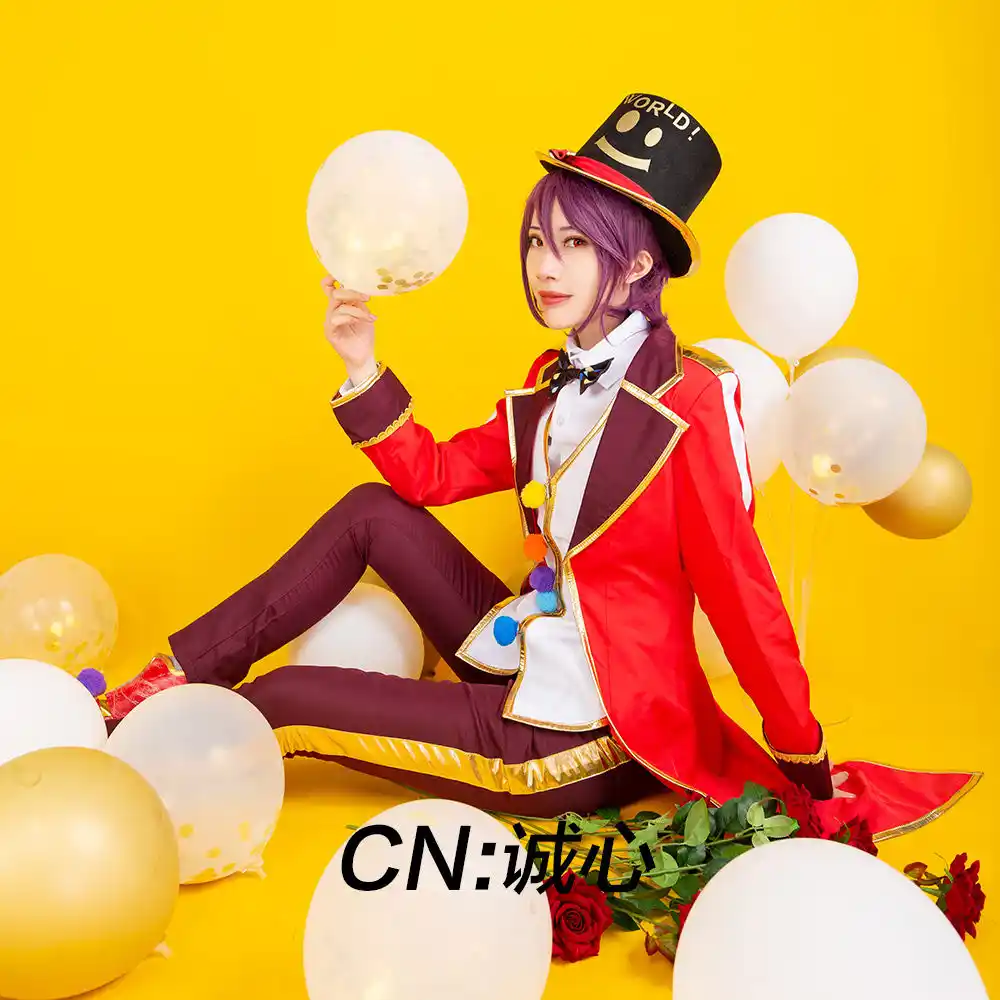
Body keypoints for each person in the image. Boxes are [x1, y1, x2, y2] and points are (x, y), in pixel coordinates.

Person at [96, 93, 978, 835]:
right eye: (537, 241)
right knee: (372, 510)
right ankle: (170, 678)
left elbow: (744, 597)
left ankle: (141, 760)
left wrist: (806, 762)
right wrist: (361, 365)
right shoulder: (553, 380)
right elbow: (430, 478)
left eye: (575, 245)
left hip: (580, 729)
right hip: (528, 646)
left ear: (637, 262)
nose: (544, 267)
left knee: (287, 697)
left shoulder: (688, 404)